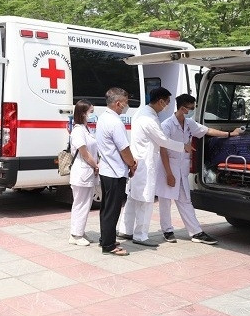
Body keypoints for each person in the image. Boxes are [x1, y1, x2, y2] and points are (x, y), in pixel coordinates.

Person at [158, 94, 242, 245]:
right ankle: (167, 230)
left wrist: (230, 134)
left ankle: (196, 232)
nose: (193, 110)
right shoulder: (167, 125)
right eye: (191, 108)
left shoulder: (189, 123)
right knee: (165, 200)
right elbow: (162, 149)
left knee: (185, 200)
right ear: (182, 108)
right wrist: (169, 173)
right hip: (168, 167)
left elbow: (208, 131)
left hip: (182, 168)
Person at [118, 87, 192, 246]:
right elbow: (163, 140)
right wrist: (183, 146)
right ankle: (140, 235)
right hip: (146, 164)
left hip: (138, 162)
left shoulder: (141, 113)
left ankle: (126, 230)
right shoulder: (149, 119)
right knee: (145, 200)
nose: (168, 106)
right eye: (167, 102)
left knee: (133, 198)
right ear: (160, 101)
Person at [96, 87, 137, 256]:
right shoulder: (115, 122)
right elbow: (124, 149)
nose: (126, 106)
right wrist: (132, 163)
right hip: (115, 172)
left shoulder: (103, 118)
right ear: (118, 103)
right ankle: (108, 245)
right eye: (125, 103)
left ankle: (105, 238)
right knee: (112, 210)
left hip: (107, 170)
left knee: (106, 208)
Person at [68, 100, 101, 246]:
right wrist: (96, 165)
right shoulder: (78, 131)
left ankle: (80, 231)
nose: (92, 115)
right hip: (82, 172)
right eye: (91, 112)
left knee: (85, 204)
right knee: (80, 204)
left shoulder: (86, 129)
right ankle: (76, 235)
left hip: (88, 172)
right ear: (83, 113)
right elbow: (85, 153)